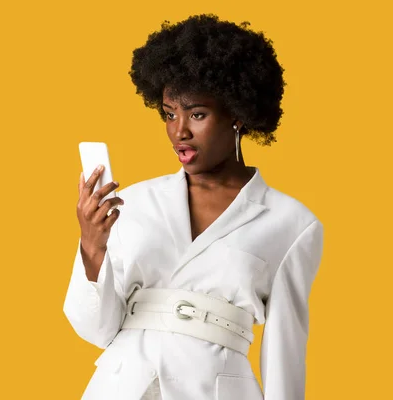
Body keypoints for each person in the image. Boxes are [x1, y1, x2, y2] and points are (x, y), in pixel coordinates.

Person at [63, 14, 324, 400]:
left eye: (197, 114)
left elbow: (285, 351)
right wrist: (92, 248)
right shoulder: (132, 202)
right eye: (170, 114)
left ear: (238, 115)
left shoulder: (293, 223)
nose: (178, 131)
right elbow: (95, 330)